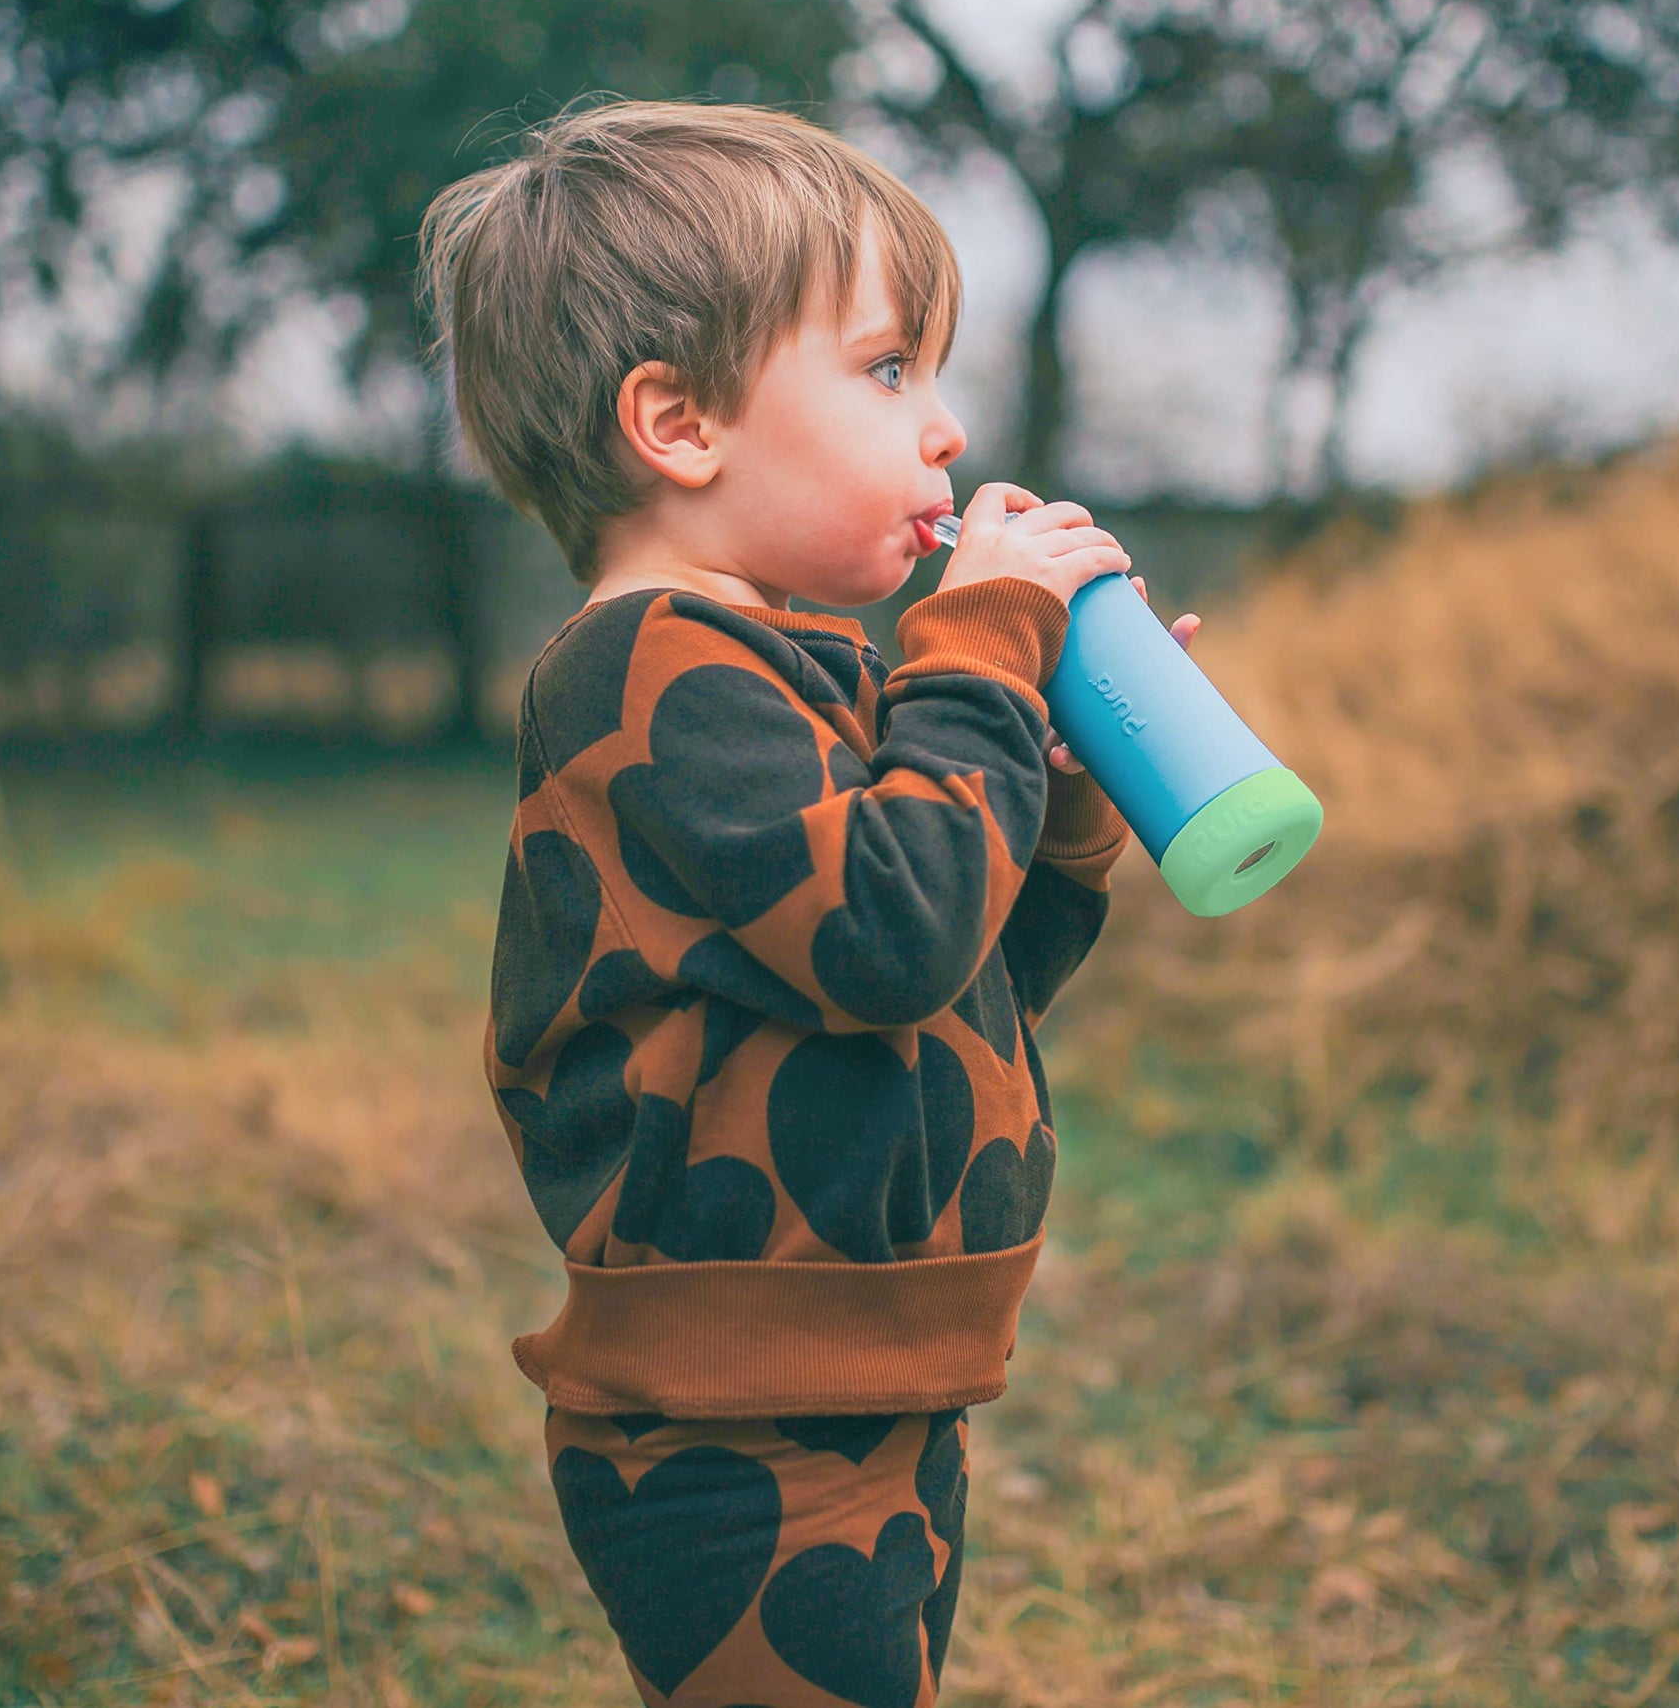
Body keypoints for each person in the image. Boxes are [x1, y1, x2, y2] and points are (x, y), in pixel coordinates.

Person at [418, 100, 1200, 1707]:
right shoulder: (645, 667)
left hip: (879, 1378)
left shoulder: (801, 677)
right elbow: (889, 929)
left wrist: (1056, 806)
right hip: (734, 1426)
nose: (941, 431)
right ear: (680, 423)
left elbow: (951, 981)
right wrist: (977, 648)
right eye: (885, 368)